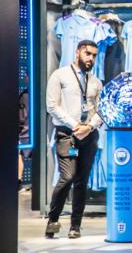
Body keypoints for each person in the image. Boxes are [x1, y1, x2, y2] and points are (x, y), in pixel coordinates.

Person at [45, 40, 103, 239]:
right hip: (67, 135)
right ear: (78, 51)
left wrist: (89, 127)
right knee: (67, 177)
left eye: (94, 55)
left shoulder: (95, 81)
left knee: (82, 181)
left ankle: (75, 226)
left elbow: (101, 110)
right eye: (88, 54)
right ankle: (53, 219)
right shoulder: (59, 75)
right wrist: (74, 125)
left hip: (88, 135)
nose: (91, 59)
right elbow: (52, 106)